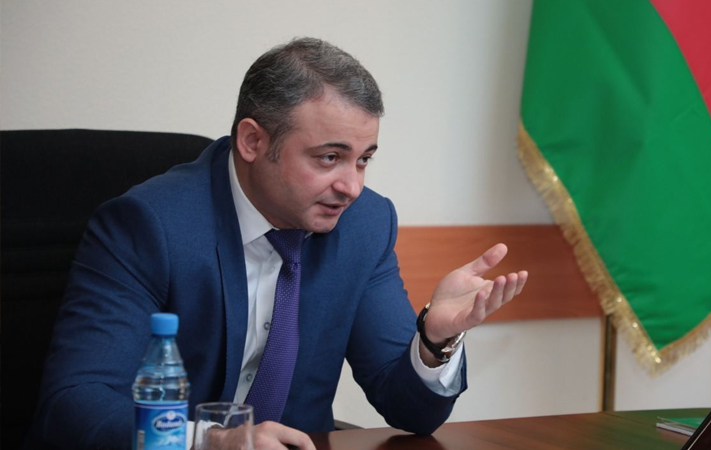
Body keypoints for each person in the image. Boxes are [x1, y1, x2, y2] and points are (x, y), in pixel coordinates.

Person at [28, 37, 528, 450]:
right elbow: (75, 402)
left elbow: (411, 412)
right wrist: (211, 441)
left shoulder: (365, 224)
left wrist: (434, 342)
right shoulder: (150, 225)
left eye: (363, 159)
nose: (352, 186)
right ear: (253, 142)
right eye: (329, 158)